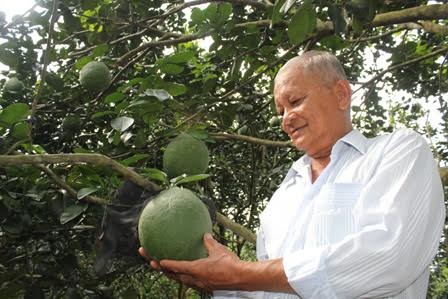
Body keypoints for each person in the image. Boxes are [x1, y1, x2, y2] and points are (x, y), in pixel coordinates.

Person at [139, 50, 446, 298]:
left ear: (341, 94)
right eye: (280, 111)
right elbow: (267, 291)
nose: (286, 119)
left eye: (295, 101)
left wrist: (241, 273)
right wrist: (219, 280)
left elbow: (388, 258)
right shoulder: (283, 198)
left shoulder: (397, 153)